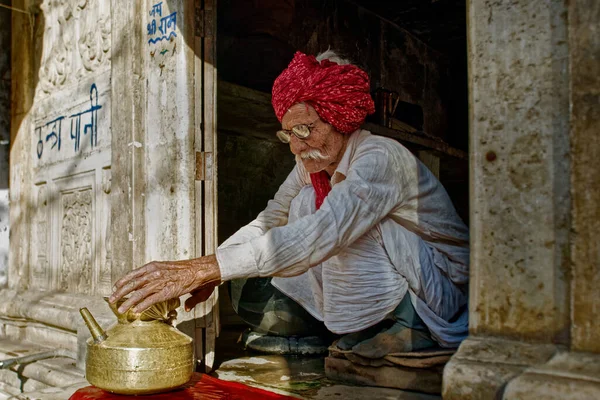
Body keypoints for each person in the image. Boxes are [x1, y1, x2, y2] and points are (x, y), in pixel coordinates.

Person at [110, 50, 470, 359]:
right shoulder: (312, 163)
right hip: (402, 273)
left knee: (331, 218)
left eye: (305, 130)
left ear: (338, 118)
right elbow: (270, 218)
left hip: (440, 283)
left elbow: (322, 233)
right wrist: (213, 268)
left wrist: (209, 268)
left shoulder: (380, 157)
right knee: (299, 206)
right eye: (288, 134)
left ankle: (412, 325)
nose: (296, 146)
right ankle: (360, 325)